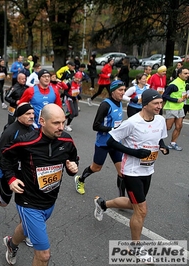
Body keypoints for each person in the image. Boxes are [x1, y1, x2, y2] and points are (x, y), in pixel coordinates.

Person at [94, 89, 169, 263]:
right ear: (145, 105)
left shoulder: (160, 120)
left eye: (160, 103)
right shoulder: (132, 122)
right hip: (132, 171)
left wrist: (163, 146)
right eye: (156, 104)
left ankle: (102, 204)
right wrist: (133, 152)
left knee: (132, 203)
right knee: (141, 210)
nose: (160, 106)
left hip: (148, 170)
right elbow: (111, 140)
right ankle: (135, 247)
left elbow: (160, 138)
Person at [1, 103, 79, 266]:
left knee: (25, 228)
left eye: (63, 122)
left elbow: (72, 160)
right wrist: (11, 178)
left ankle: (11, 243)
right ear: (42, 121)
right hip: (28, 201)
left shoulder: (66, 140)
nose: (61, 127)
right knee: (43, 255)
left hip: (50, 200)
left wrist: (72, 168)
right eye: (56, 123)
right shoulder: (26, 141)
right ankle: (14, 244)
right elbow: (4, 157)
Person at [74, 80, 126, 196]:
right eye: (120, 90)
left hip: (116, 143)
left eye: (124, 90)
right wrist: (112, 129)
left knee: (122, 172)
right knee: (96, 167)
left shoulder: (120, 103)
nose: (123, 92)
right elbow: (95, 126)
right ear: (113, 91)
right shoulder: (105, 105)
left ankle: (122, 198)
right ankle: (80, 180)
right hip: (103, 143)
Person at [0, 104, 35, 209]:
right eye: (28, 114)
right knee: (4, 202)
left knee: (28, 204)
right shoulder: (11, 131)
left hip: (25, 173)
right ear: (19, 116)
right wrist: (10, 174)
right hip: (8, 174)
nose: (32, 116)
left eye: (32, 113)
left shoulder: (32, 128)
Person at [162, 67, 189, 151]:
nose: (187, 75)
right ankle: (154, 140)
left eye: (188, 73)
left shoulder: (184, 83)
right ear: (179, 74)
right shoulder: (173, 84)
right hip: (172, 108)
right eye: (185, 73)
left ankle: (173, 143)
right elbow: (164, 95)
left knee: (179, 126)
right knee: (168, 127)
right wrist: (176, 100)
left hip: (180, 107)